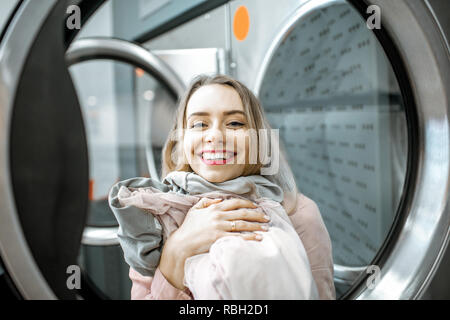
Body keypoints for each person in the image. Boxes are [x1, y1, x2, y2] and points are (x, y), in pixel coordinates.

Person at [108, 74, 336, 300]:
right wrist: (177, 250)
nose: (215, 136)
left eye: (235, 123)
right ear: (183, 139)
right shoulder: (155, 217)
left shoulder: (300, 214)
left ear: (257, 137)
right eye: (199, 124)